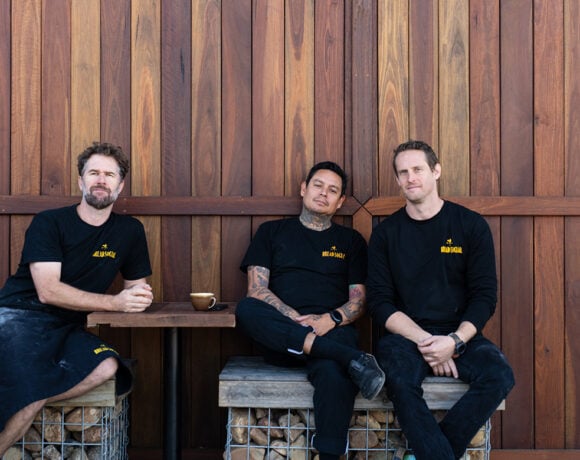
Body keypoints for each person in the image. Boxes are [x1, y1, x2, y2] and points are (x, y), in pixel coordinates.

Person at [0, 142, 154, 456]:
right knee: (29, 382)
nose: (101, 180)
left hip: (68, 324)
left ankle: (35, 391)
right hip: (20, 314)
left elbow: (137, 287)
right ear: (80, 181)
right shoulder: (50, 222)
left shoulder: (130, 231)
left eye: (109, 175)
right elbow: (48, 290)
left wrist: (138, 297)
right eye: (93, 173)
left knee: (108, 366)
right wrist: (116, 303)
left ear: (120, 185)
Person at [366, 140, 515, 460]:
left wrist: (455, 340)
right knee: (400, 380)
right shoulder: (386, 234)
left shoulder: (470, 226)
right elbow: (380, 303)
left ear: (436, 171)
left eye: (418, 169)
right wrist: (430, 342)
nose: (410, 178)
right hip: (406, 337)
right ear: (397, 180)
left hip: (460, 331)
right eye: (403, 172)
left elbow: (485, 296)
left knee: (499, 375)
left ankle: (426, 455)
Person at [235, 161, 385, 459]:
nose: (323, 193)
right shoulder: (272, 232)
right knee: (246, 309)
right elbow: (257, 290)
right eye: (318, 185)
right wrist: (295, 319)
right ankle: (355, 360)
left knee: (332, 369)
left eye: (333, 190)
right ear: (304, 188)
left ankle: (329, 454)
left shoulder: (351, 241)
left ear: (340, 201)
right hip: (283, 336)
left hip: (333, 333)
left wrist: (330, 319)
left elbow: (359, 300)